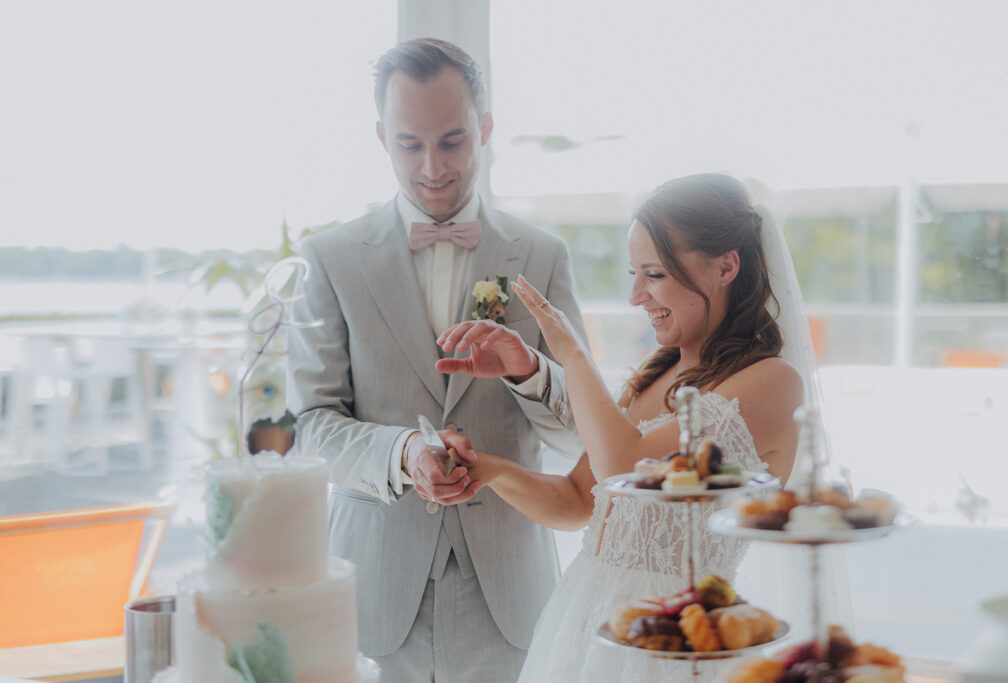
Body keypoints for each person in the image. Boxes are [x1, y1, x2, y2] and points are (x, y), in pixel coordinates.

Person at [286, 38, 588, 683]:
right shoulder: (330, 259)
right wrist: (403, 453)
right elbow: (308, 427)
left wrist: (527, 372)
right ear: (381, 137)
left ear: (485, 128)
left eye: (452, 141)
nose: (431, 168)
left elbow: (579, 435)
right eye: (409, 144)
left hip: (512, 595)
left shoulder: (542, 256)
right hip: (372, 594)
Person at [437, 173, 810, 681]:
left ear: (726, 267)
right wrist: (486, 468)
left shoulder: (773, 382)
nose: (636, 296)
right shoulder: (654, 375)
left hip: (677, 646)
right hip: (584, 631)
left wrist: (570, 352)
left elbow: (626, 471)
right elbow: (577, 501)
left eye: (654, 274)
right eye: (635, 273)